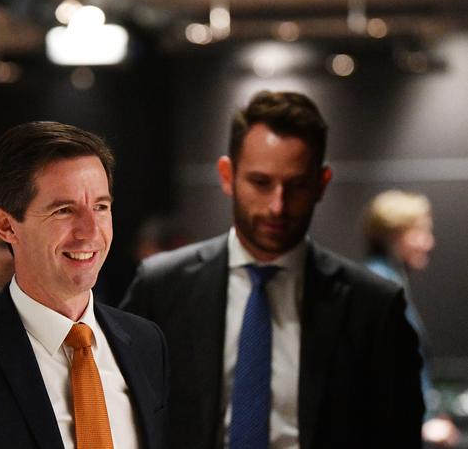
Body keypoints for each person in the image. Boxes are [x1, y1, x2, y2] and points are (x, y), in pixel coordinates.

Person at [121, 90, 424, 449]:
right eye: (261, 183)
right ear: (227, 175)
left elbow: (399, 435)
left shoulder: (373, 307)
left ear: (321, 184)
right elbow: (123, 412)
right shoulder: (161, 287)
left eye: (296, 185)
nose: (278, 206)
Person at [0, 122, 169, 449]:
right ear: (5, 226)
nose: (91, 230)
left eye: (101, 207)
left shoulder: (147, 343)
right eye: (64, 210)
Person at [363, 190, 459, 447]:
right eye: (421, 232)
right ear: (394, 236)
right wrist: (420, 424)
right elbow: (373, 377)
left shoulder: (390, 282)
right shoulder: (379, 287)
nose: (429, 242)